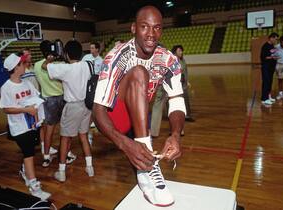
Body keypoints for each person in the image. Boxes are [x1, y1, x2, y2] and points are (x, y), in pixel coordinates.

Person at [93, 6, 185, 206]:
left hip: (138, 118)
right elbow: (97, 111)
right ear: (134, 28)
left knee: (145, 90)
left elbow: (177, 101)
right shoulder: (117, 56)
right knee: (139, 73)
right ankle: (147, 165)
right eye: (145, 27)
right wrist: (125, 144)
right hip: (114, 119)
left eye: (157, 28)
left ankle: (145, 164)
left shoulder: (169, 60)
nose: (151, 34)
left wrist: (176, 134)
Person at [0, 53, 50, 200]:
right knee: (29, 155)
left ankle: (25, 171)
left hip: (32, 124)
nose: (25, 65)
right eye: (21, 64)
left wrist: (36, 106)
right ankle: (34, 186)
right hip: (19, 127)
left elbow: (35, 97)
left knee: (30, 152)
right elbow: (6, 108)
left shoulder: (27, 83)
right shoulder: (6, 88)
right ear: (16, 68)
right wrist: (25, 109)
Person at [43, 40, 95, 182]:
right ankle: (90, 168)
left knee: (65, 138)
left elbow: (45, 66)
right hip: (86, 105)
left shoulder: (65, 69)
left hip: (72, 107)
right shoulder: (86, 65)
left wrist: (51, 58)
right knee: (83, 135)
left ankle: (61, 171)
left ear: (66, 54)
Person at [34, 40, 76, 167]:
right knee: (66, 129)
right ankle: (67, 153)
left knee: (49, 130)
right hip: (62, 98)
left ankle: (46, 157)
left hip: (47, 99)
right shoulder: (58, 64)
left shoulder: (36, 65)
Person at [172, 45, 194, 121]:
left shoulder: (183, 60)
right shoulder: (172, 60)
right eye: (179, 51)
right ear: (175, 52)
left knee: (186, 99)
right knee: (176, 101)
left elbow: (185, 71)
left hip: (183, 83)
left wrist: (187, 81)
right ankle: (176, 116)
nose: (181, 52)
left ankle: (187, 115)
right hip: (175, 84)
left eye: (181, 51)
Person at [260, 32, 279, 105]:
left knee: (270, 82)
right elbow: (263, 57)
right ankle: (264, 98)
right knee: (266, 82)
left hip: (271, 67)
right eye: (275, 39)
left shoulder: (272, 46)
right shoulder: (265, 46)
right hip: (266, 67)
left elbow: (273, 54)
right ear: (271, 38)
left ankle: (268, 95)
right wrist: (272, 57)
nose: (276, 41)